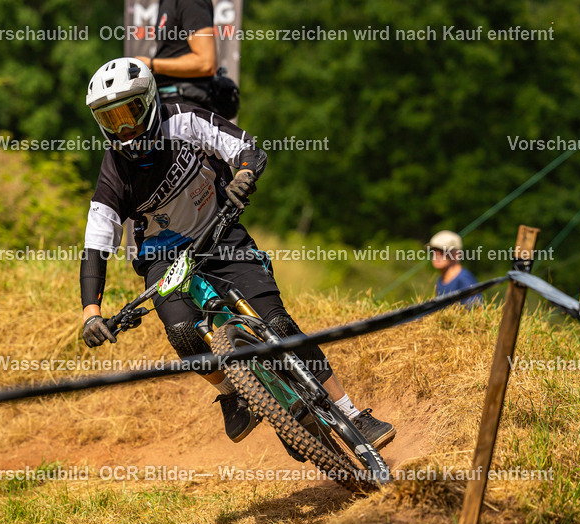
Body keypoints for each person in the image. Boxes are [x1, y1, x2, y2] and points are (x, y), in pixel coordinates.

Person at [78, 58, 395, 452]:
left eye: (130, 113)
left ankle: (351, 413)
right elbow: (96, 246)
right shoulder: (113, 176)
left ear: (150, 102)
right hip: (165, 260)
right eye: (111, 121)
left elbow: (245, 148)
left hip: (221, 231)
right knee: (182, 331)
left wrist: (244, 174)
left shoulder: (184, 121)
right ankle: (232, 393)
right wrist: (91, 312)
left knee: (278, 323)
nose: (124, 129)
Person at [132, 0, 229, 114]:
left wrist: (152, 64)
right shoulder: (165, 3)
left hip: (187, 108)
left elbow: (206, 63)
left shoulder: (190, 2)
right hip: (168, 104)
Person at [428, 230, 482, 307]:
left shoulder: (465, 279)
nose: (436, 255)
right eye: (433, 250)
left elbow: (475, 310)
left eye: (443, 250)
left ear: (456, 254)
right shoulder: (440, 280)